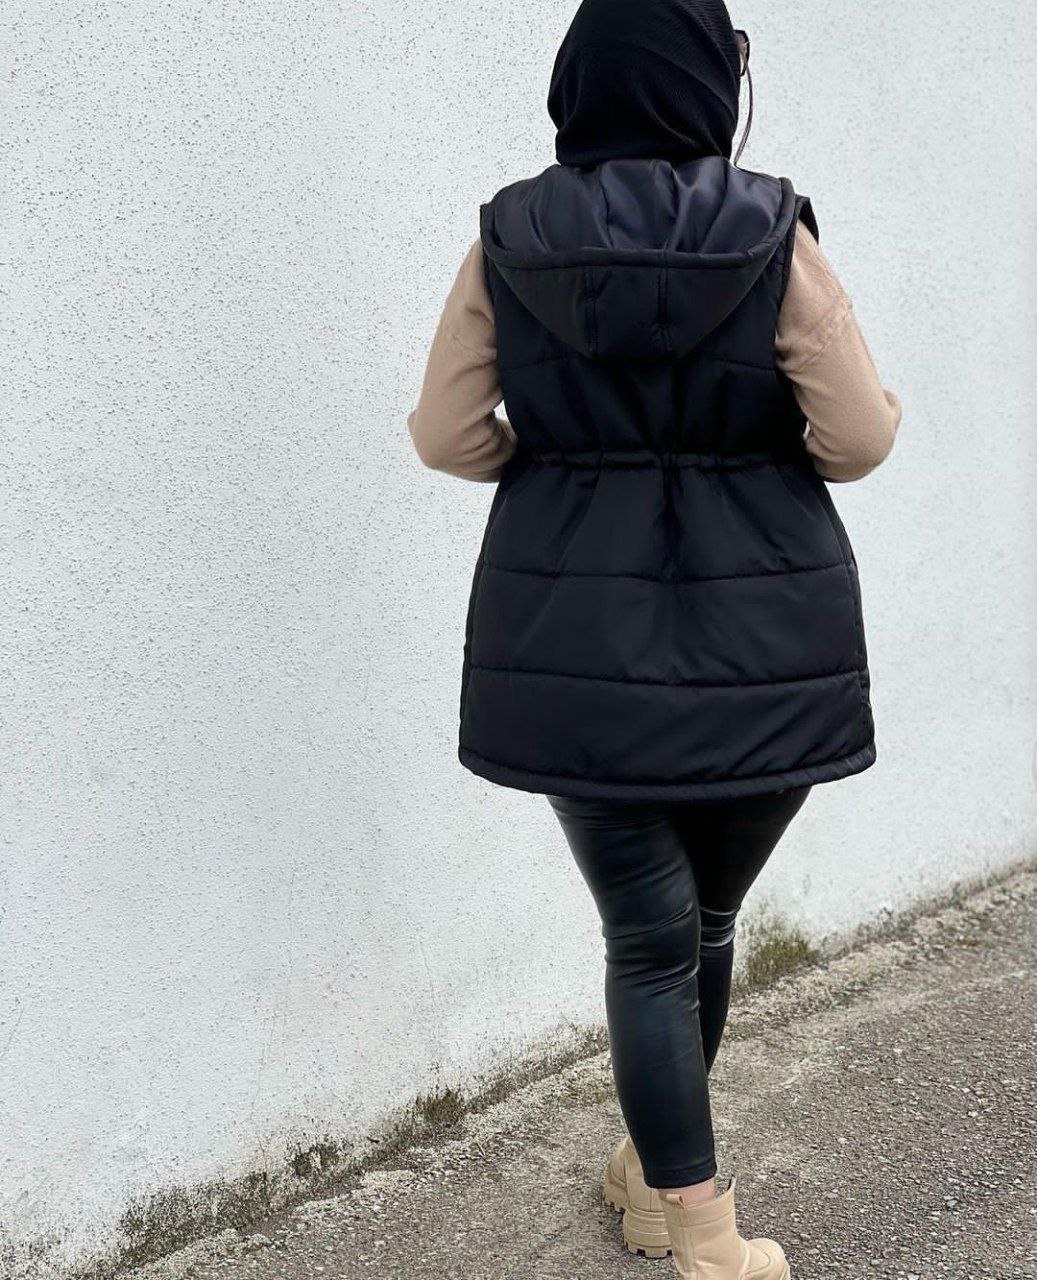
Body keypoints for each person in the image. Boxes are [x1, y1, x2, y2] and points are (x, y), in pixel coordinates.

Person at [407, 1, 901, 1275]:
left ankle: (658, 1183)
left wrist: (560, 469)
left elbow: (446, 435)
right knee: (705, 926)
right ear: (707, 84)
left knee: (644, 937)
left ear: (579, 82)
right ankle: (702, 1235)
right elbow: (855, 437)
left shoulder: (508, 237)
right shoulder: (772, 233)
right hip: (766, 636)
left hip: (574, 640)